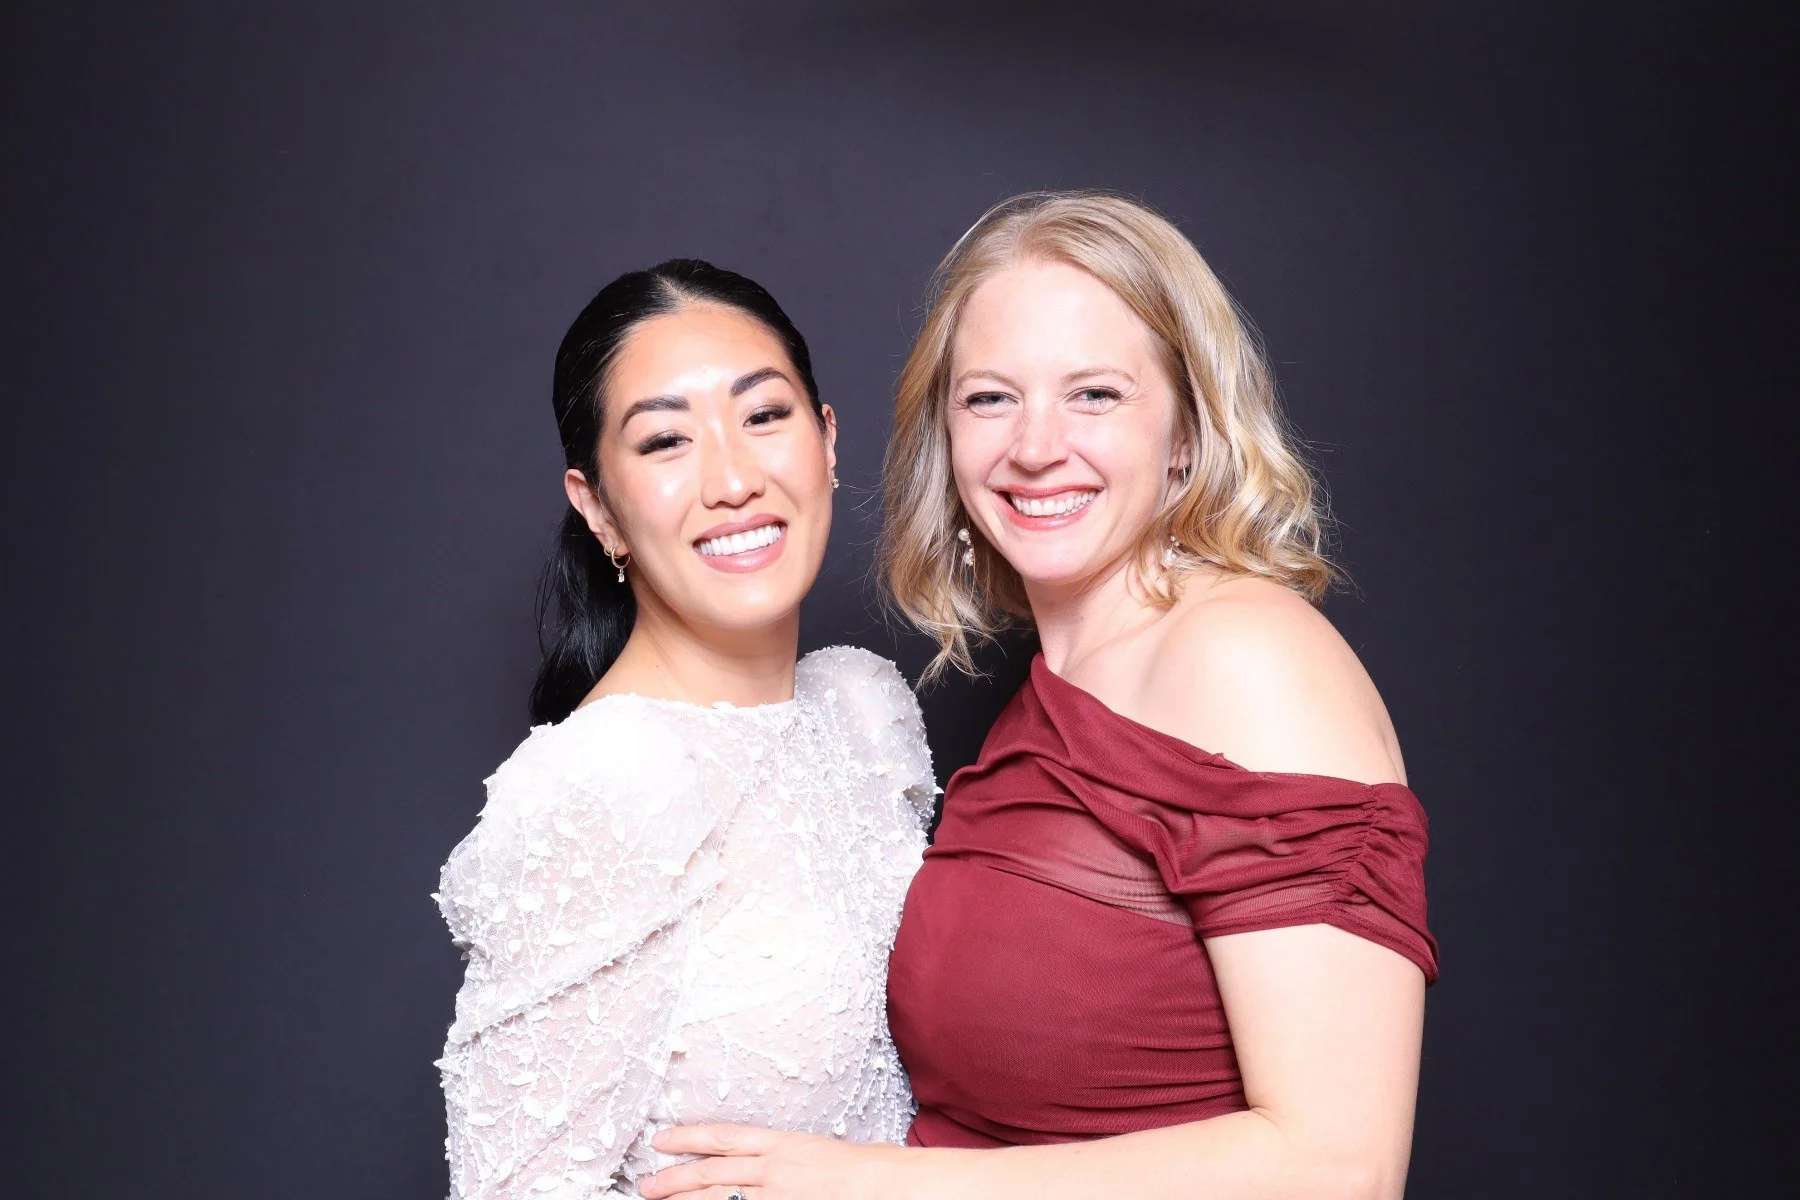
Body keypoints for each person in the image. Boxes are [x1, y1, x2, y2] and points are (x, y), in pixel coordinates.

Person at [642, 193, 1438, 1199]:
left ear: (1187, 430)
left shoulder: (1245, 657)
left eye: (1094, 394)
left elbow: (1339, 1167)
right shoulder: (1065, 679)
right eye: (990, 399)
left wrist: (873, 1186)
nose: (1034, 447)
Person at [435, 260, 936, 1199]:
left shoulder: (862, 713)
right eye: (666, 440)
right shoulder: (607, 781)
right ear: (597, 505)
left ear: (828, 440)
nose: (733, 479)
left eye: (764, 415)